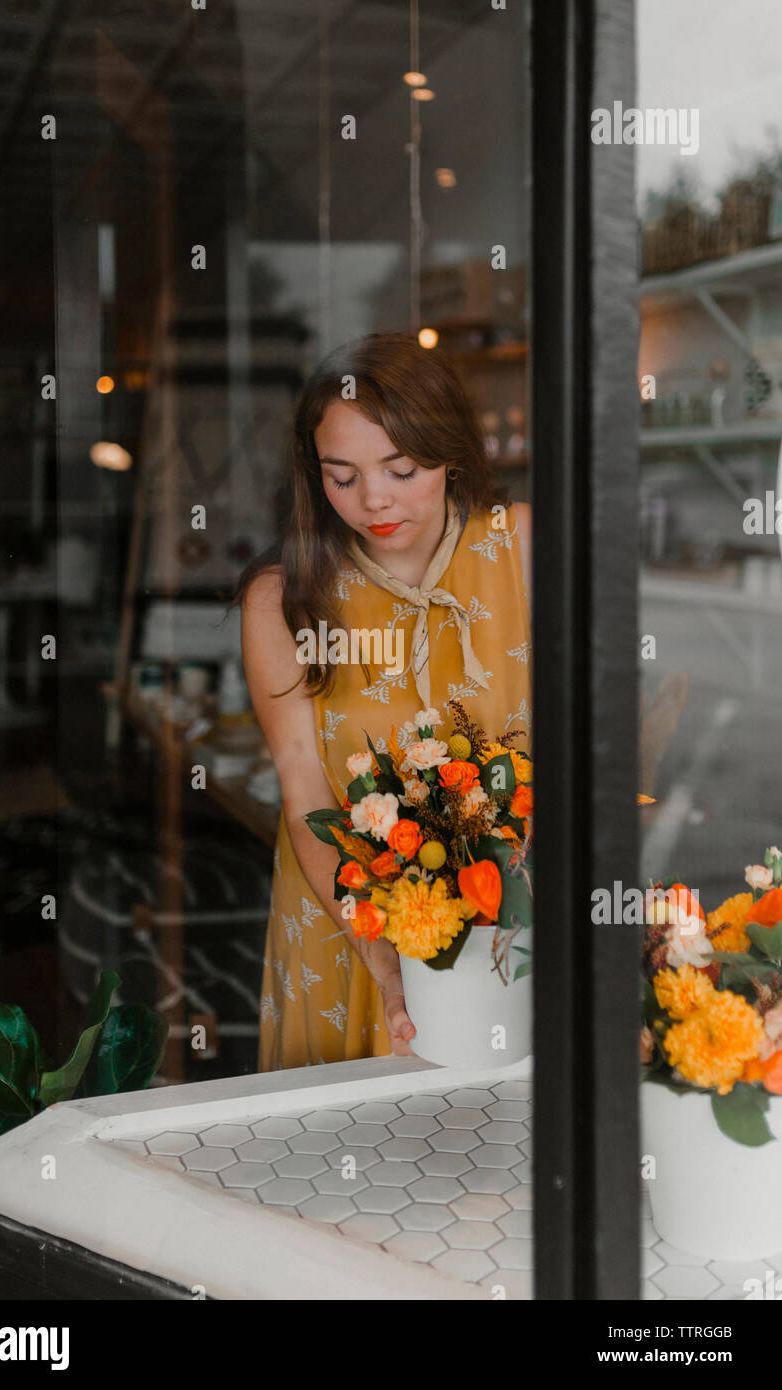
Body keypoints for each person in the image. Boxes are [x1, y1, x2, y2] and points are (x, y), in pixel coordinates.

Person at [238, 331, 532, 1071]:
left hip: (508, 917)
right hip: (345, 925)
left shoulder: (523, 548)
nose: (373, 500)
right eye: (341, 476)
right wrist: (380, 953)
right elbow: (305, 787)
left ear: (450, 451)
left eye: (401, 469)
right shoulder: (284, 599)